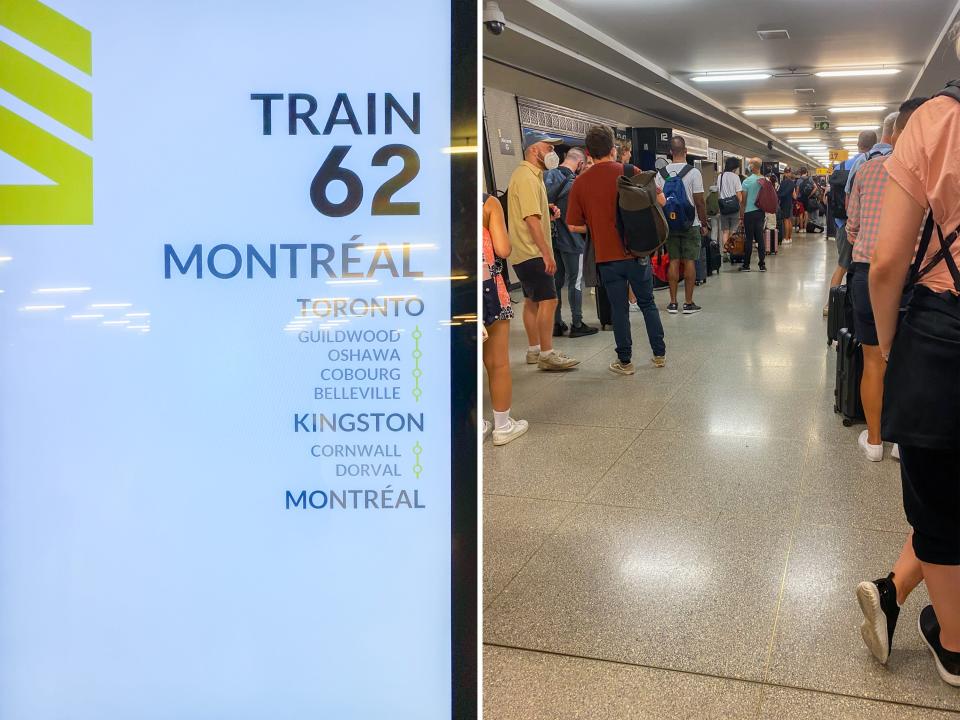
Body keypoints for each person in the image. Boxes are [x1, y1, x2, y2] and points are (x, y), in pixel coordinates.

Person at [855, 66, 960, 687]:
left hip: (943, 330)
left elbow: (888, 259)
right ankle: (892, 592)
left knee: (940, 498)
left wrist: (892, 346)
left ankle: (953, 645)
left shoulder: (937, 119)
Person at [846, 104, 927, 462]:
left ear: (889, 134)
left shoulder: (866, 170)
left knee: (873, 357)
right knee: (909, 357)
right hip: (914, 273)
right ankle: (903, 444)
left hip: (868, 269)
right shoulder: (927, 169)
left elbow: (853, 225)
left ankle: (875, 441)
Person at [566, 124, 667, 375]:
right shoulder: (631, 170)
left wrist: (596, 226)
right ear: (613, 149)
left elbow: (572, 225)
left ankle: (625, 362)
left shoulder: (580, 182)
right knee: (648, 303)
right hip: (637, 251)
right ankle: (659, 355)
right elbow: (661, 200)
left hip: (606, 257)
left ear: (588, 153)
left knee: (619, 309)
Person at [506, 130, 580, 371]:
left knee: (531, 300)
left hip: (521, 253)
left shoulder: (527, 175)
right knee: (549, 300)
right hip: (532, 252)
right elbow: (531, 219)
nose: (552, 152)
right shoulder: (527, 177)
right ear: (533, 150)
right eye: (548, 148)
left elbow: (531, 211)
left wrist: (546, 208)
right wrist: (546, 253)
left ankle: (534, 349)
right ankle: (547, 354)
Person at [481, 194, 528, 445]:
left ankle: (474, 425)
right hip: (488, 289)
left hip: (449, 294)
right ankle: (502, 426)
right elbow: (503, 249)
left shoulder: (428, 201)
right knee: (497, 362)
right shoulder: (487, 203)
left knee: (460, 364)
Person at [544, 147, 598, 338]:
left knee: (557, 281)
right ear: (580, 164)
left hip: (553, 238)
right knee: (575, 281)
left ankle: (556, 323)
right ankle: (577, 323)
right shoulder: (576, 183)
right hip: (574, 239)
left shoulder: (544, 177)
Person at [823, 130, 878, 315]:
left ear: (857, 144)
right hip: (869, 227)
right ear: (875, 144)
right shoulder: (877, 163)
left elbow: (828, 198)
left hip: (842, 224)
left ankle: (831, 305)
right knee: (866, 271)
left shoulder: (840, 167)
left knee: (842, 266)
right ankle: (861, 307)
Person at [655, 136, 707, 314]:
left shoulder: (660, 175)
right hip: (690, 224)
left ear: (670, 153)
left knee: (674, 261)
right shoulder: (693, 173)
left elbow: (657, 201)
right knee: (690, 261)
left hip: (670, 224)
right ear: (686, 152)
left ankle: (672, 303)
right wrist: (704, 223)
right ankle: (688, 302)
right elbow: (700, 202)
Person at [739, 158, 766, 272]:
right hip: (760, 213)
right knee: (760, 238)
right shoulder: (765, 180)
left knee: (749, 239)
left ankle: (746, 265)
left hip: (749, 213)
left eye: (749, 164)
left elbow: (743, 201)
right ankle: (762, 265)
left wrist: (741, 216)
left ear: (753, 166)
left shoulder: (746, 181)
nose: (748, 166)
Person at [717, 157, 744, 257]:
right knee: (733, 231)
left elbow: (719, 192)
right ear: (735, 167)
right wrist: (740, 204)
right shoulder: (735, 177)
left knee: (725, 231)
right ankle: (732, 251)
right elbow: (739, 195)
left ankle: (724, 252)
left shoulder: (720, 176)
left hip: (723, 207)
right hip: (734, 208)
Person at [777, 167, 797, 244]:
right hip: (790, 203)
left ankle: (785, 238)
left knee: (785, 220)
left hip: (784, 203)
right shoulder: (792, 183)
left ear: (784, 173)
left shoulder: (783, 183)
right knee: (789, 220)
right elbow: (795, 196)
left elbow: (780, 193)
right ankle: (789, 238)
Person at [795, 167, 814, 232]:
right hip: (806, 198)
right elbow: (815, 188)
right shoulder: (810, 179)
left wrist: (796, 198)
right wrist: (810, 195)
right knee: (806, 213)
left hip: (800, 198)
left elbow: (797, 190)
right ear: (806, 172)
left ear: (800, 173)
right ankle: (805, 228)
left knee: (800, 213)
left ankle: (801, 228)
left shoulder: (798, 180)